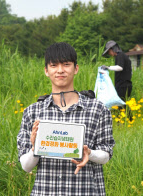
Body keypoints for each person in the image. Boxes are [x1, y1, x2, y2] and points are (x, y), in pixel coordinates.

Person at [17, 42, 115, 195]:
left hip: (85, 191)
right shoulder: (32, 112)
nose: (60, 70)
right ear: (46, 71)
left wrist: (89, 153)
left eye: (66, 64)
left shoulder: (98, 109)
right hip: (45, 191)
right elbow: (26, 166)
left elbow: (106, 155)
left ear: (76, 68)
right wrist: (35, 147)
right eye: (54, 65)